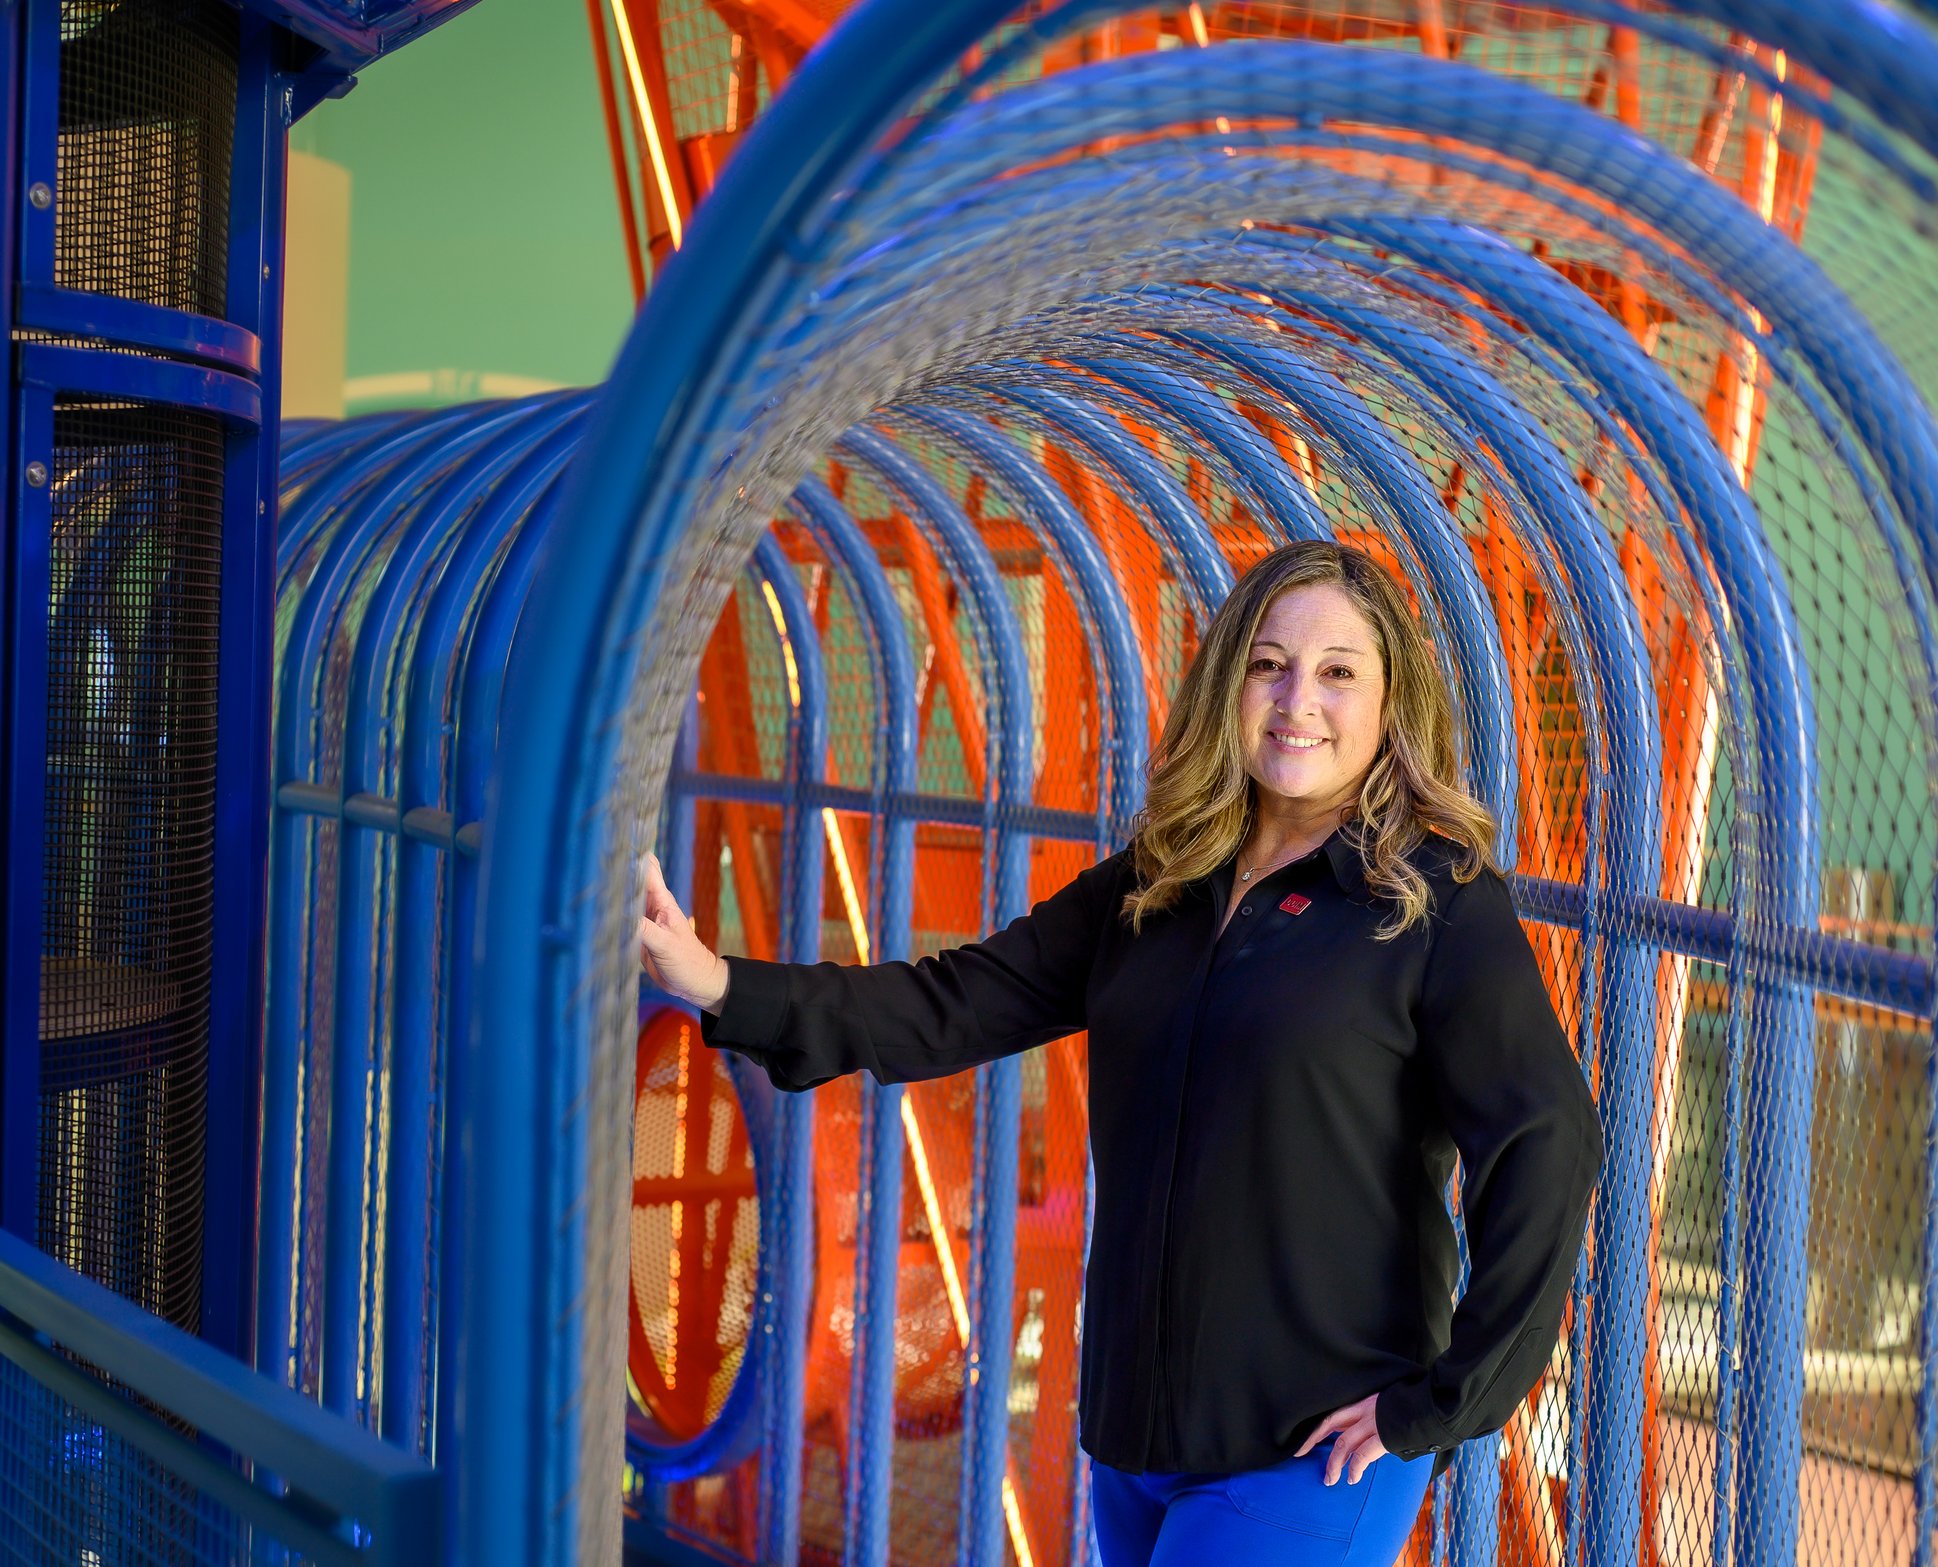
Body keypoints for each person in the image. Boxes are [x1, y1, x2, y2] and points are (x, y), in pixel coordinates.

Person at [640, 539, 1604, 1567]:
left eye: (1337, 672)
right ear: (1227, 680)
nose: (1295, 701)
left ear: (1388, 704)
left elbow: (1549, 1143)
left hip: (1310, 1449)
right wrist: (718, 982)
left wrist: (1442, 1400)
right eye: (1267, 664)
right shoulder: (1161, 882)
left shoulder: (1433, 900)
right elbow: (951, 1003)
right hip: (1135, 1439)